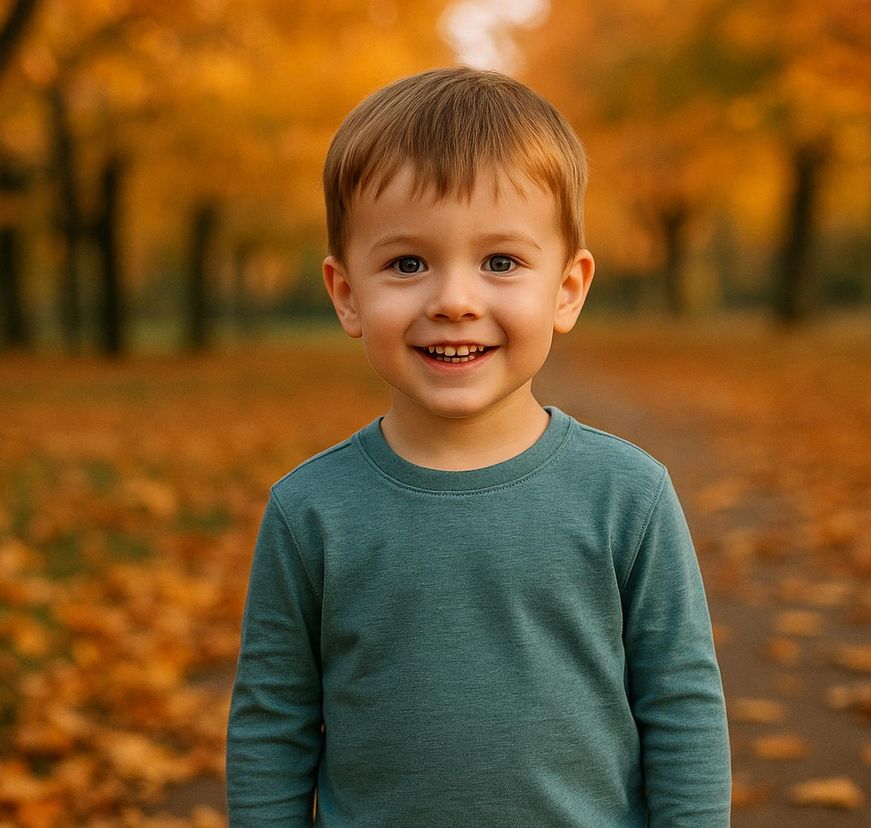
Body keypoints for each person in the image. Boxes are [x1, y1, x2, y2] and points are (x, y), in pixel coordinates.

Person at [226, 65, 731, 826]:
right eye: (407, 264)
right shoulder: (311, 511)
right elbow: (272, 726)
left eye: (500, 262)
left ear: (566, 288)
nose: (454, 300)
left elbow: (682, 705)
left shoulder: (628, 494)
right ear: (345, 294)